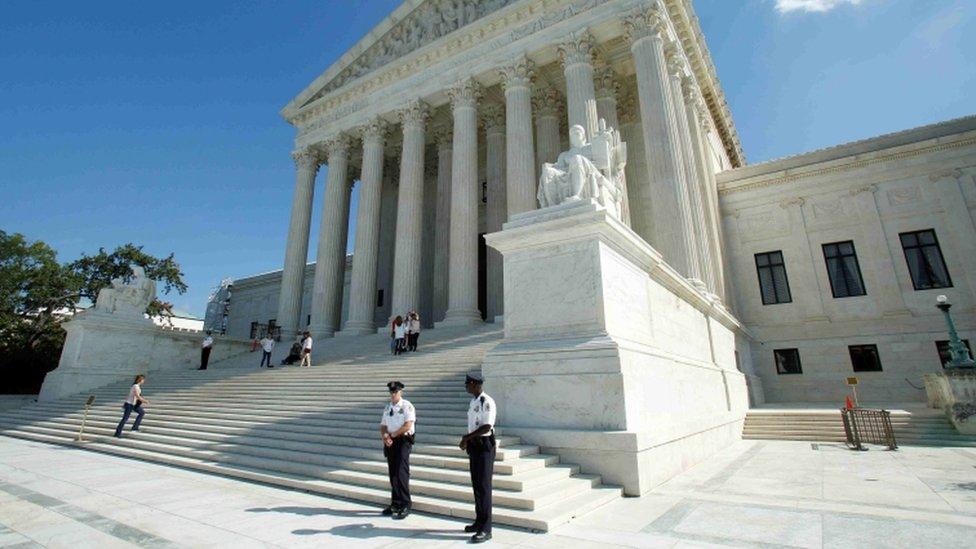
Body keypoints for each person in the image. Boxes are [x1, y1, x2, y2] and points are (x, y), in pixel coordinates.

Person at [459, 372, 496, 543]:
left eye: (468, 384)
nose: (466, 386)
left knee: (484, 487)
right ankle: (479, 521)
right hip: (475, 445)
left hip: (484, 445)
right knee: (477, 486)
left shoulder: (485, 401)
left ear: (474, 384)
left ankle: (486, 529)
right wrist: (468, 440)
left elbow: (487, 426)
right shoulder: (473, 401)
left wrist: (467, 438)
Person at [379, 380, 415, 520]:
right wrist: (385, 437)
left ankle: (406, 503)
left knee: (401, 472)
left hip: (403, 441)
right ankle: (395, 503)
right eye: (391, 392)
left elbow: (408, 425)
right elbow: (383, 426)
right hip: (391, 441)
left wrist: (392, 435)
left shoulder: (407, 406)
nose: (393, 394)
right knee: (393, 472)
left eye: (396, 392)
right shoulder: (388, 408)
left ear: (401, 392)